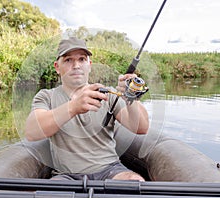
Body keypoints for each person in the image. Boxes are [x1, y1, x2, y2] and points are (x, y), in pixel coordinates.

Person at [25, 37, 149, 181]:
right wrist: (74, 106)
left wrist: (130, 98)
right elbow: (32, 133)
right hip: (65, 175)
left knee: (135, 181)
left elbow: (142, 128)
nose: (76, 65)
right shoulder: (46, 96)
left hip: (110, 169)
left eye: (82, 59)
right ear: (57, 67)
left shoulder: (108, 94)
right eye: (68, 60)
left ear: (89, 65)